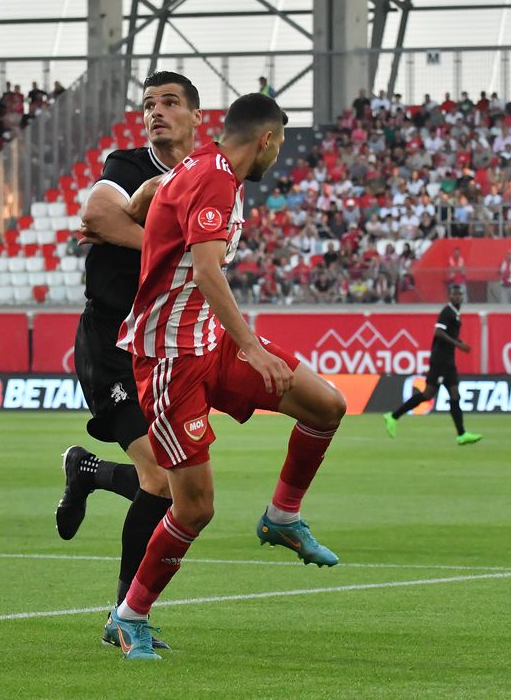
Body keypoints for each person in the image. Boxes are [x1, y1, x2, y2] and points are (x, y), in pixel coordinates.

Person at [107, 94, 348, 660]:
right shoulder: (215, 179)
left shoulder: (200, 169)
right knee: (194, 508)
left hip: (209, 343)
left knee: (325, 405)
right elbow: (210, 270)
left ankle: (282, 517)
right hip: (170, 361)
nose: (280, 153)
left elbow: (151, 194)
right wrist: (252, 347)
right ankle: (130, 615)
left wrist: (137, 216)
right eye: (281, 143)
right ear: (265, 140)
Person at [55, 72, 201, 652]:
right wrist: (173, 244)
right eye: (148, 104)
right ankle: (123, 617)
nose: (156, 112)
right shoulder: (129, 164)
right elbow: (97, 218)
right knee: (161, 480)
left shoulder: (209, 175)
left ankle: (87, 472)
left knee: (172, 487)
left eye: (169, 103)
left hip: (163, 347)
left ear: (196, 114)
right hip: (110, 343)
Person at [383, 284, 481, 446]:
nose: (457, 297)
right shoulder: (447, 312)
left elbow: (449, 334)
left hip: (448, 361)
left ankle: (462, 434)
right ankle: (393, 416)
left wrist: (460, 344)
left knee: (455, 395)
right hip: (441, 361)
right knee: (428, 394)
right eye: (454, 294)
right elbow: (438, 332)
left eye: (459, 294)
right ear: (450, 296)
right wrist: (457, 344)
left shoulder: (456, 314)